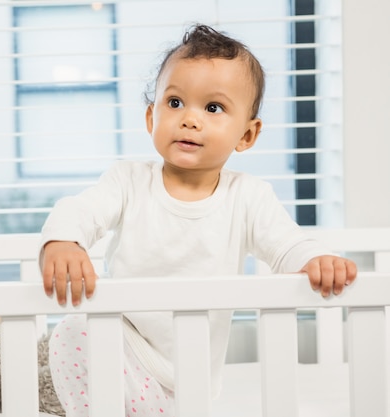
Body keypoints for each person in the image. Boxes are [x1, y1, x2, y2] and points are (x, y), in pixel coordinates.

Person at [38, 24, 357, 416]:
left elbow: (287, 243)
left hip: (191, 375)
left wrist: (315, 259)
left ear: (247, 135)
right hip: (124, 345)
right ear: (151, 117)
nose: (190, 119)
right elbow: (81, 210)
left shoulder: (248, 196)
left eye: (213, 108)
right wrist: (64, 240)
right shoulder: (128, 181)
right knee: (72, 331)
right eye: (175, 103)